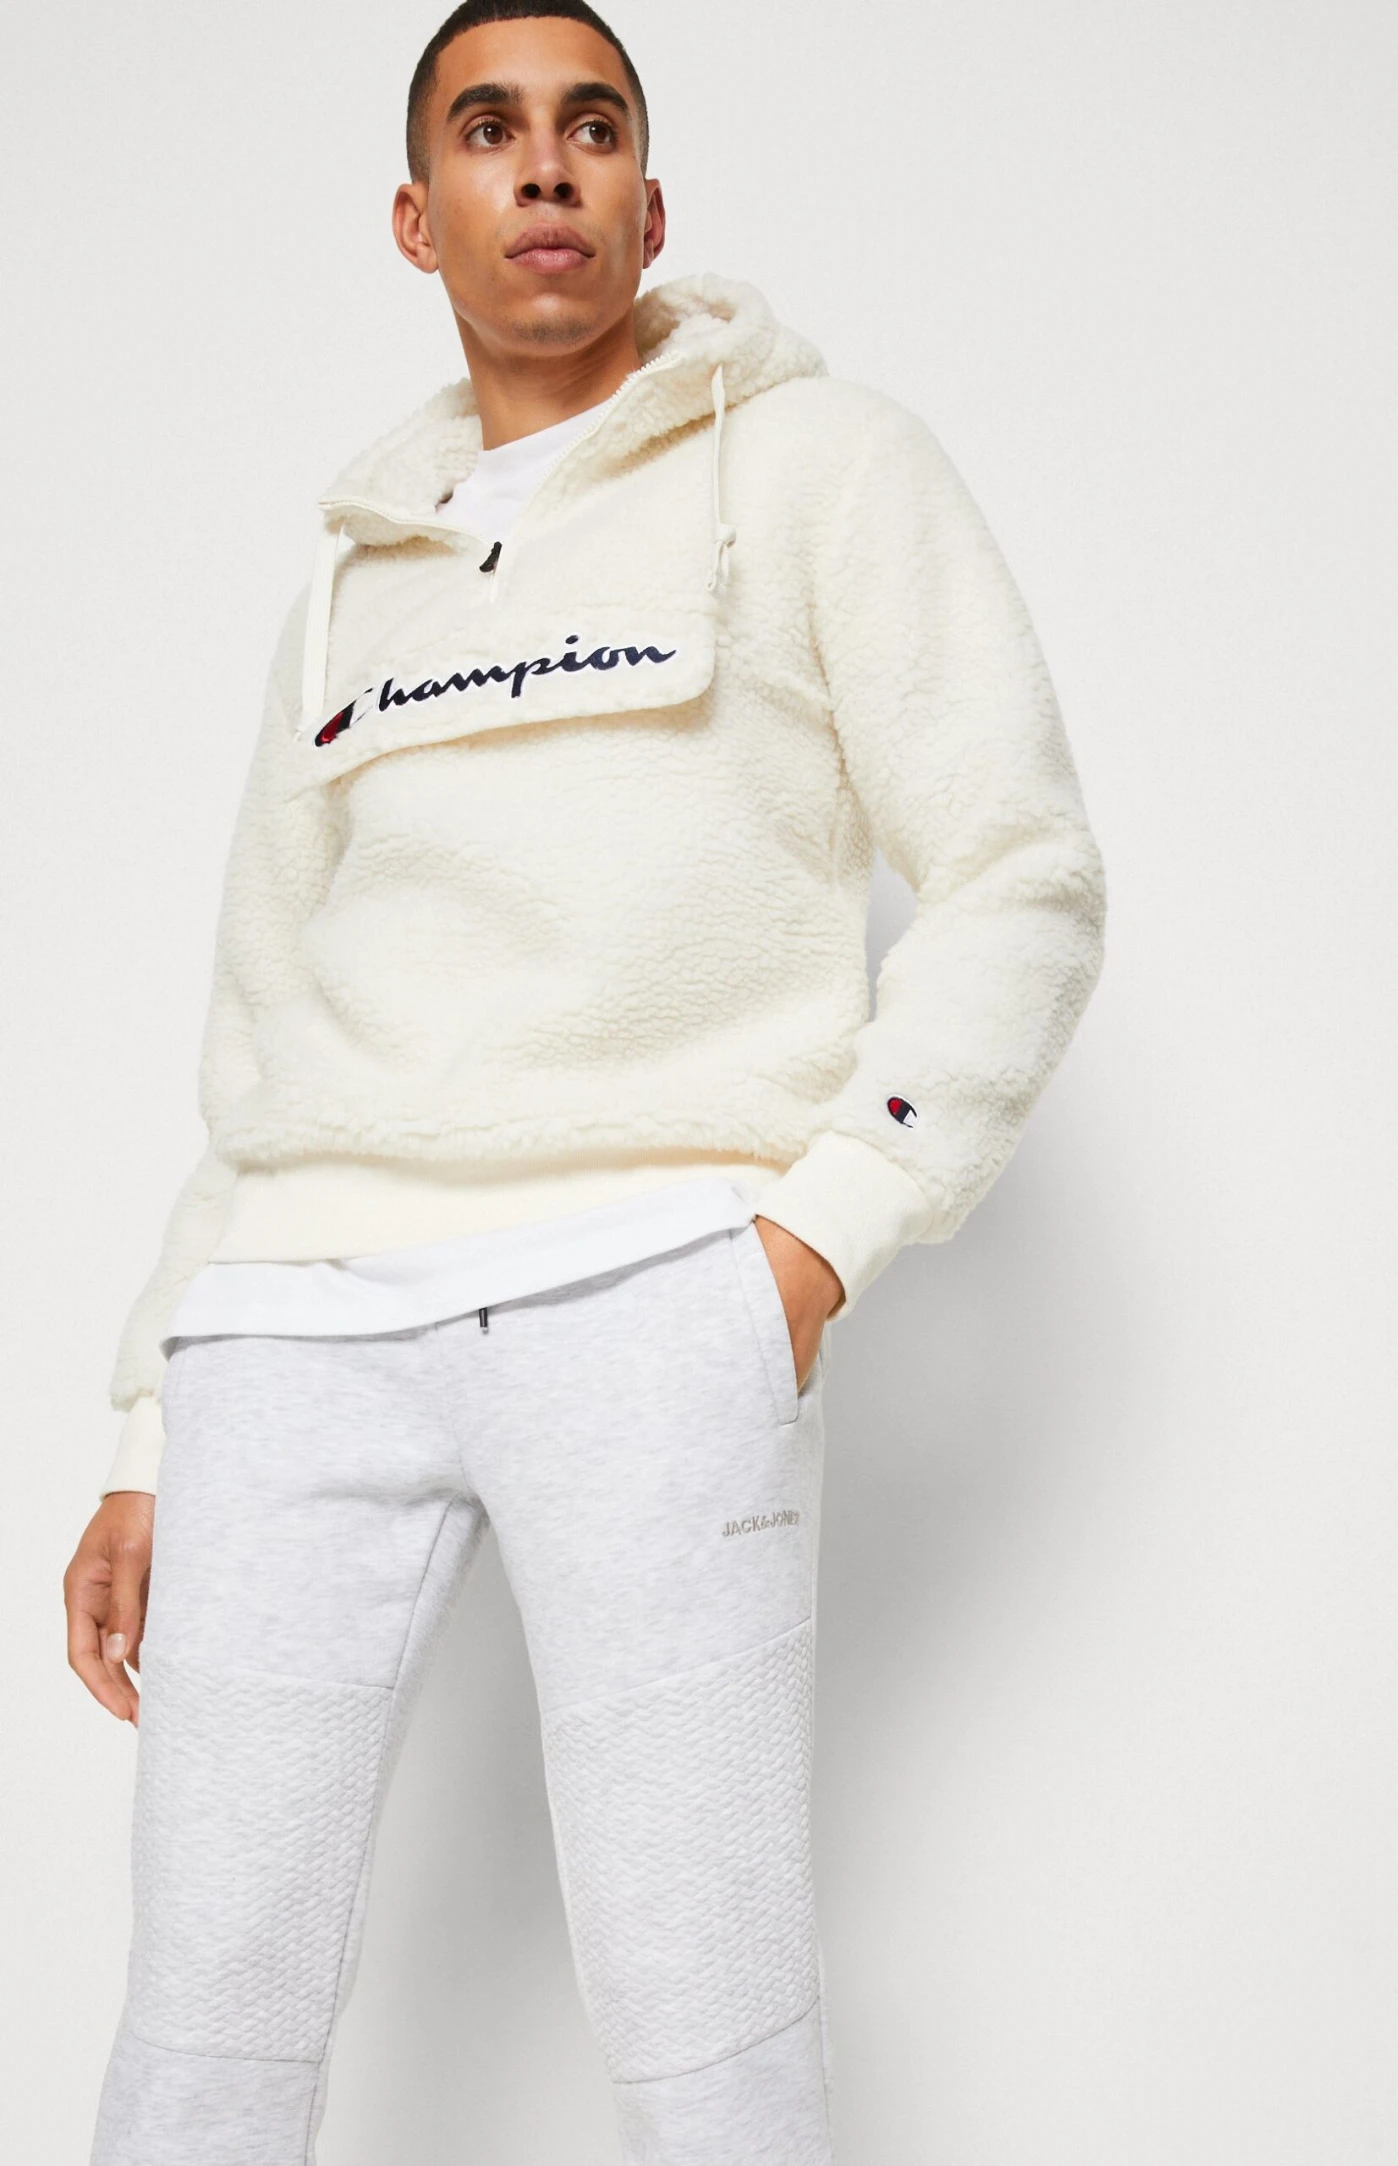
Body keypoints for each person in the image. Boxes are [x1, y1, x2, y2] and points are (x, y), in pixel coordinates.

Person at [64, 3, 1108, 2158]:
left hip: (655, 1293)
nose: (543, 165)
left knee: (698, 2007)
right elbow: (262, 1025)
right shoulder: (354, 577)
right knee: (206, 2005)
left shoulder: (820, 468)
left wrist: (810, 1245)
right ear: (415, 215)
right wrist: (157, 1417)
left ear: (648, 198)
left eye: (590, 125)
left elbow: (1019, 874)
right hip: (293, 1324)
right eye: (488, 128)